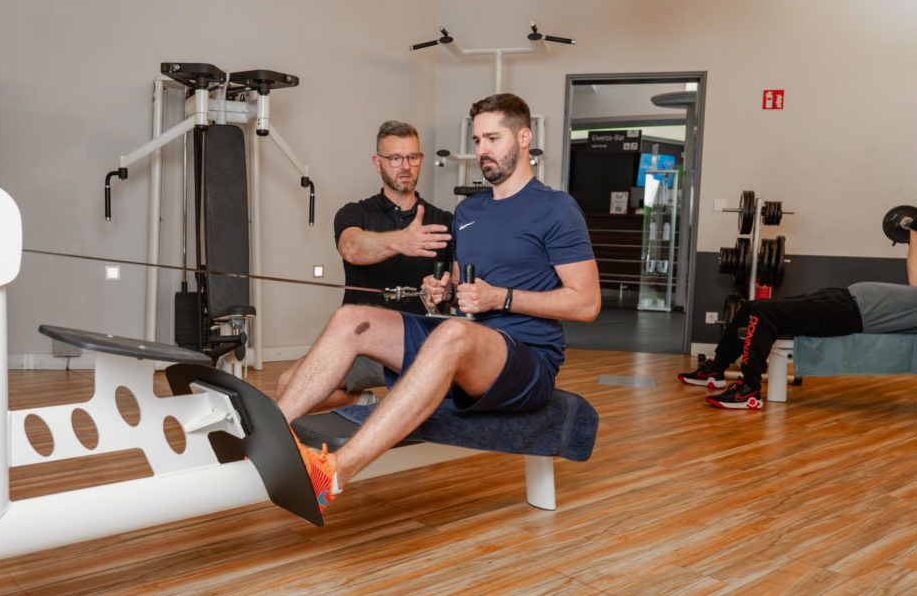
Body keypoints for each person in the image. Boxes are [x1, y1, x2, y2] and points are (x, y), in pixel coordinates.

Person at [277, 93, 600, 513]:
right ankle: (272, 429)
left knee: (453, 334)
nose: (483, 150)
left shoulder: (556, 208)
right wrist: (442, 291)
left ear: (524, 137)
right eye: (478, 139)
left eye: (493, 138)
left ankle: (334, 474)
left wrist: (499, 297)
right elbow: (463, 289)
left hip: (527, 359)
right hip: (468, 343)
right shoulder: (468, 211)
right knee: (352, 318)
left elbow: (586, 303)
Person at [275, 121, 453, 410]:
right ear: (377, 162)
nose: (405, 166)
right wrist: (400, 242)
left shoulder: (444, 220)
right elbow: (351, 248)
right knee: (286, 384)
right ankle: (364, 401)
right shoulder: (355, 213)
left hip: (417, 345)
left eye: (412, 157)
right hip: (362, 343)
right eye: (395, 158)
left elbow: (457, 284)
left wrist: (445, 290)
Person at [679, 227, 917, 409]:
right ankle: (715, 370)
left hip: (849, 312)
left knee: (764, 314)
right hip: (843, 295)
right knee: (752, 306)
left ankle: (748, 390)